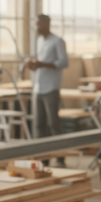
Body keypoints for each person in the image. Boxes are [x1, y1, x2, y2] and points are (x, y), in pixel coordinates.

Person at [28, 14, 69, 167]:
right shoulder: (39, 41)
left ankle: (60, 158)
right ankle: (43, 158)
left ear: (46, 24)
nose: (37, 27)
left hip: (51, 87)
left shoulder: (57, 41)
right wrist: (34, 65)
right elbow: (40, 63)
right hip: (39, 87)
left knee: (54, 124)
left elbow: (64, 62)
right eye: (35, 24)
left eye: (39, 24)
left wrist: (43, 64)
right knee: (39, 125)